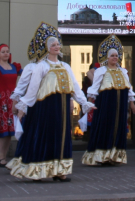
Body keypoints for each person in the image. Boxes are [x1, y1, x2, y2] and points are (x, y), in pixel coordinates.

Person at [8, 32, 95, 181]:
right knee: (44, 136)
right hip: (45, 107)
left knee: (61, 137)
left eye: (57, 44)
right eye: (53, 45)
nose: (56, 47)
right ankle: (38, 170)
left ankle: (60, 171)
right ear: (47, 48)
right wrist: (23, 106)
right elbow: (33, 88)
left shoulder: (66, 66)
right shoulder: (41, 66)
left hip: (61, 107)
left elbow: (74, 86)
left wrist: (84, 102)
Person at [82, 34, 135, 165]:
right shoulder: (101, 71)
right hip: (106, 104)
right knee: (105, 127)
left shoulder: (123, 71)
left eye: (116, 55)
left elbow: (128, 89)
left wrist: (132, 104)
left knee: (119, 128)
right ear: (107, 57)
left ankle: (115, 156)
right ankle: (102, 155)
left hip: (121, 105)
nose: (114, 58)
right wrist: (89, 102)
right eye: (112, 55)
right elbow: (94, 88)